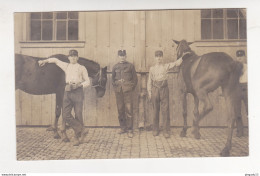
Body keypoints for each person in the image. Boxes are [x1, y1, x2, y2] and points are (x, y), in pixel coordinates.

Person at [38, 49, 90, 146]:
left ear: (77, 57)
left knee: (78, 114)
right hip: (68, 90)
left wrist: (79, 85)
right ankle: (82, 129)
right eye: (71, 56)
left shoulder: (82, 68)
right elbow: (55, 60)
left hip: (78, 91)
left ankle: (76, 138)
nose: (73, 58)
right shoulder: (66, 66)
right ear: (68, 58)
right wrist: (44, 61)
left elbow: (87, 81)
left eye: (75, 56)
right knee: (66, 115)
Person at [147, 50, 183, 138]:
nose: (159, 58)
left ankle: (166, 130)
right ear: (155, 58)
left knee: (165, 110)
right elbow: (149, 81)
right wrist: (149, 92)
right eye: (157, 56)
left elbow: (176, 63)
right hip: (155, 89)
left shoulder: (166, 66)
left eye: (160, 56)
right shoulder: (152, 68)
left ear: (162, 57)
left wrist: (183, 56)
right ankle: (155, 129)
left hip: (164, 89)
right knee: (155, 110)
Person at [112, 50, 138, 138]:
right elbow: (113, 80)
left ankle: (130, 129)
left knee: (129, 110)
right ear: (118, 56)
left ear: (126, 56)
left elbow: (135, 79)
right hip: (119, 92)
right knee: (120, 110)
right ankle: (123, 128)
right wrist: (116, 87)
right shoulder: (115, 67)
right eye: (120, 55)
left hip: (128, 91)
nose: (122, 57)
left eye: (123, 55)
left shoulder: (130, 66)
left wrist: (130, 88)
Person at [236, 49, 248, 135]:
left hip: (247, 88)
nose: (239, 58)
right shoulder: (234, 68)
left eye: (241, 56)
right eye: (238, 57)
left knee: (249, 111)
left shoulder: (249, 66)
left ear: (244, 57)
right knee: (237, 111)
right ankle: (240, 131)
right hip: (237, 89)